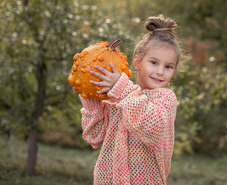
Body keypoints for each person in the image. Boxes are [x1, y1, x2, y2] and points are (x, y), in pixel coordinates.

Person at [76, 15, 182, 185]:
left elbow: (152, 129)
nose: (160, 71)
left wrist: (122, 88)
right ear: (138, 62)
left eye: (168, 67)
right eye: (154, 63)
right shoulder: (118, 97)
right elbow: (94, 137)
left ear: (174, 71)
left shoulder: (165, 99)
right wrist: (90, 99)